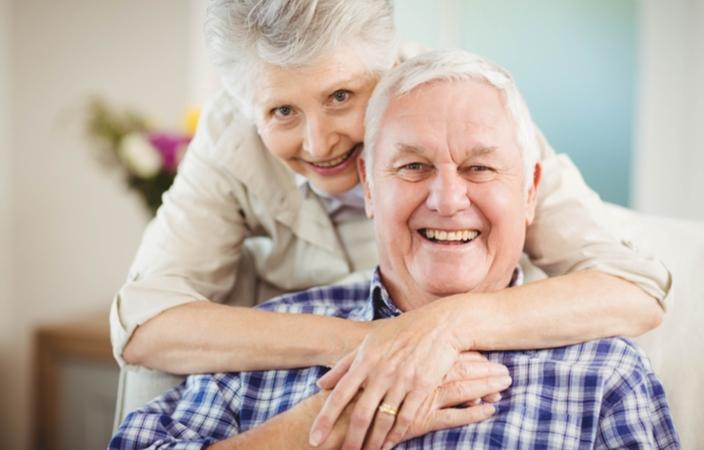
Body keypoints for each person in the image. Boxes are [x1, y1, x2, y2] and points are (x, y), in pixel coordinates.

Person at [110, 0, 671, 445]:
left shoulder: (461, 110)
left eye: (340, 96)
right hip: (306, 361)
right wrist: (378, 345)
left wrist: (447, 325)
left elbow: (633, 287)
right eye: (283, 111)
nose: (318, 141)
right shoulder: (233, 135)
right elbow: (145, 323)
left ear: (388, 69)